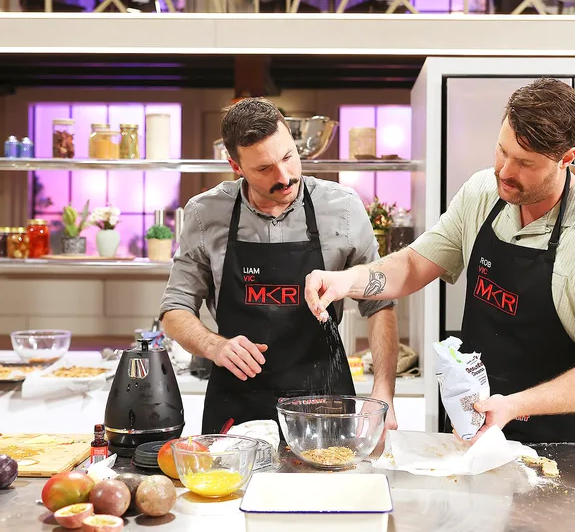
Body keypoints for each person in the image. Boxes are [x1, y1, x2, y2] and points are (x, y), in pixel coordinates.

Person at [304, 78, 575, 445]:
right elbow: (414, 265)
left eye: (524, 163)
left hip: (563, 446)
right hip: (472, 430)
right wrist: (347, 281)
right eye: (502, 151)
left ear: (566, 158)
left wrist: (514, 406)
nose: (504, 171)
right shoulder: (483, 193)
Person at [159, 97, 400, 435]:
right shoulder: (205, 213)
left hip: (323, 400)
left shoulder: (342, 208)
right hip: (237, 398)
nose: (285, 177)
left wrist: (383, 390)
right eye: (264, 169)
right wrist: (214, 345)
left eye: (288, 157)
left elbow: (380, 301)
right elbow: (174, 308)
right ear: (235, 166)